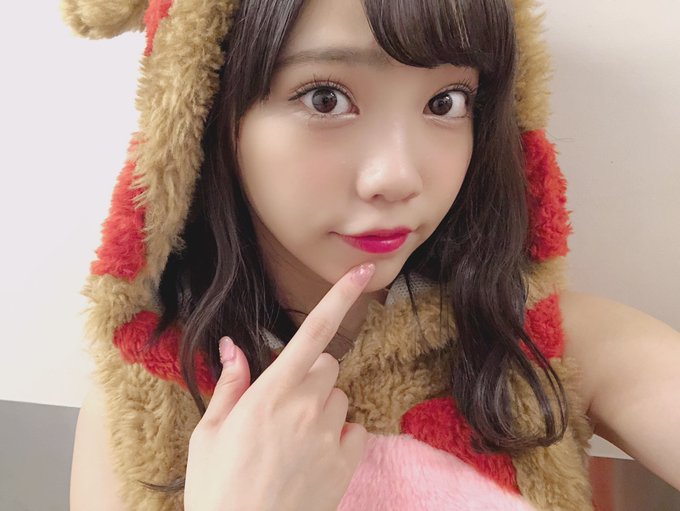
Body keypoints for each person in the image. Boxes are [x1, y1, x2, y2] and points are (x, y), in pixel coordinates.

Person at [64, 0, 680, 509]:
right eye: (325, 98)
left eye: (446, 102)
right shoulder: (143, 402)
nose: (398, 176)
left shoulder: (547, 346)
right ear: (207, 114)